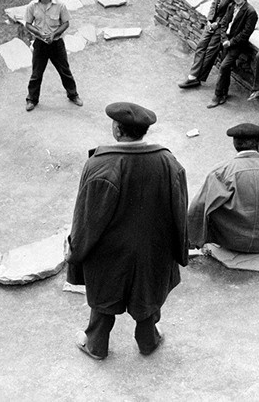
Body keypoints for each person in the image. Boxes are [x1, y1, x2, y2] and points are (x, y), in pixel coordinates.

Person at [66, 102, 188, 360]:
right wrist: (179, 250)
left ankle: (96, 345)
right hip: (153, 249)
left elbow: (87, 217)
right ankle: (148, 342)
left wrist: (76, 249)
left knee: (104, 298)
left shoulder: (100, 165)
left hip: (110, 252)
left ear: (118, 130)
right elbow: (180, 210)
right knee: (147, 297)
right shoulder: (169, 162)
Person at [187, 123, 259, 253]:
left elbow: (198, 207)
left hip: (231, 241)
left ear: (235, 145)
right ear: (258, 144)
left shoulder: (221, 172)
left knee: (211, 205)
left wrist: (193, 240)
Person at [24, 0, 82, 111]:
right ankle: (32, 99)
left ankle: (73, 95)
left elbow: (66, 23)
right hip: (40, 45)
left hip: (56, 44)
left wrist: (54, 34)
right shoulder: (32, 6)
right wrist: (39, 33)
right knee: (36, 74)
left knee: (65, 71)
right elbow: (28, 24)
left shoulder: (60, 5)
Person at [178, 0, 235, 89]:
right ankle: (192, 76)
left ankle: (198, 78)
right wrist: (209, 20)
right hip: (212, 22)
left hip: (223, 26)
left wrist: (217, 24)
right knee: (201, 46)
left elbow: (231, 12)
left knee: (211, 51)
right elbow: (214, 3)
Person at [208, 0, 258, 108]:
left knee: (224, 67)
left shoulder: (250, 12)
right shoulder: (231, 6)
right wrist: (224, 38)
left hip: (237, 44)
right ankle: (224, 94)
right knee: (225, 68)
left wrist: (231, 42)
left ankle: (217, 95)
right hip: (227, 41)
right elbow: (224, 23)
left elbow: (246, 33)